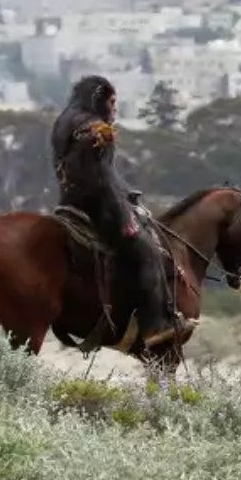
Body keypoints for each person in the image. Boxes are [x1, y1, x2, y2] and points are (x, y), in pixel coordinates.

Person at [51, 75, 183, 348]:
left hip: (70, 202)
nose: (114, 110)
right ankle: (155, 326)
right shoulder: (97, 129)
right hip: (100, 208)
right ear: (97, 99)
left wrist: (126, 192)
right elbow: (102, 179)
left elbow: (103, 175)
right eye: (111, 103)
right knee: (147, 252)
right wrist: (124, 217)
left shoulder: (64, 121)